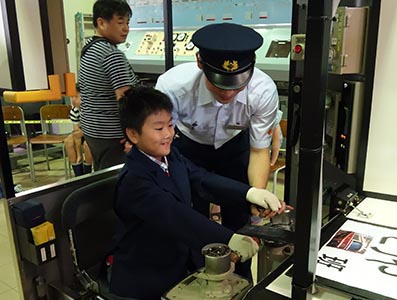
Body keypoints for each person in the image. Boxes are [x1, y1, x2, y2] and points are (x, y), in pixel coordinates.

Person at [110, 86, 284, 300]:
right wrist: (229, 239)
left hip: (178, 266)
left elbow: (201, 178)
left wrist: (249, 193)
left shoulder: (170, 156)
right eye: (158, 128)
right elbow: (176, 216)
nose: (168, 134)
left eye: (170, 125)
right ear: (133, 134)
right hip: (146, 280)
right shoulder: (135, 180)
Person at [155, 23, 281, 276]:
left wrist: (256, 194)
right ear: (200, 62)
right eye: (220, 84)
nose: (228, 92)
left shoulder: (263, 90)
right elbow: (161, 138)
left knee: (242, 219)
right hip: (188, 149)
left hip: (234, 149)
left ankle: (242, 282)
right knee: (193, 222)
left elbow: (258, 151)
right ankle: (196, 280)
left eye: (237, 85)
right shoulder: (173, 87)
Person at [78, 0, 138, 171]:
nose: (126, 28)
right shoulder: (112, 55)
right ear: (101, 22)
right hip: (113, 135)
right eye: (120, 22)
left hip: (93, 131)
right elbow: (125, 100)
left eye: (127, 23)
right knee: (117, 182)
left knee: (103, 176)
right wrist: (132, 135)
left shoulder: (88, 48)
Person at [64, 85, 93, 176]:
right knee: (68, 141)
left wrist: (82, 132)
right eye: (72, 97)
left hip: (92, 134)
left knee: (87, 145)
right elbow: (76, 132)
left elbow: (93, 128)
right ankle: (78, 174)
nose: (73, 100)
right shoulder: (74, 111)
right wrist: (79, 154)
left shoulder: (91, 109)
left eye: (76, 97)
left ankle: (87, 173)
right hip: (80, 135)